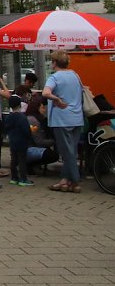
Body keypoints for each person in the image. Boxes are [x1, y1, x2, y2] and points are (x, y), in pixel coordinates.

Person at [42, 50, 84, 193]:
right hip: (77, 118)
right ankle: (65, 181)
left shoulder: (55, 77)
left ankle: (76, 182)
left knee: (67, 152)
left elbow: (45, 93)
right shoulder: (75, 75)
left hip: (61, 119)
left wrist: (56, 99)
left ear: (54, 63)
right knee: (71, 150)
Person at [4, 95, 34, 187]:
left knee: (13, 160)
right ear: (20, 105)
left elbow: (5, 128)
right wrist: (30, 135)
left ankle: (14, 177)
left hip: (13, 141)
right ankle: (23, 179)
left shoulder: (8, 118)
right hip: (22, 142)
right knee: (22, 161)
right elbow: (26, 131)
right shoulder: (22, 118)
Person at [24, 95, 59, 173]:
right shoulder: (33, 121)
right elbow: (39, 141)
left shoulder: (30, 118)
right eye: (42, 108)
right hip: (28, 149)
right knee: (53, 155)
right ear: (37, 109)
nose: (45, 110)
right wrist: (54, 141)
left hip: (26, 148)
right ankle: (28, 164)